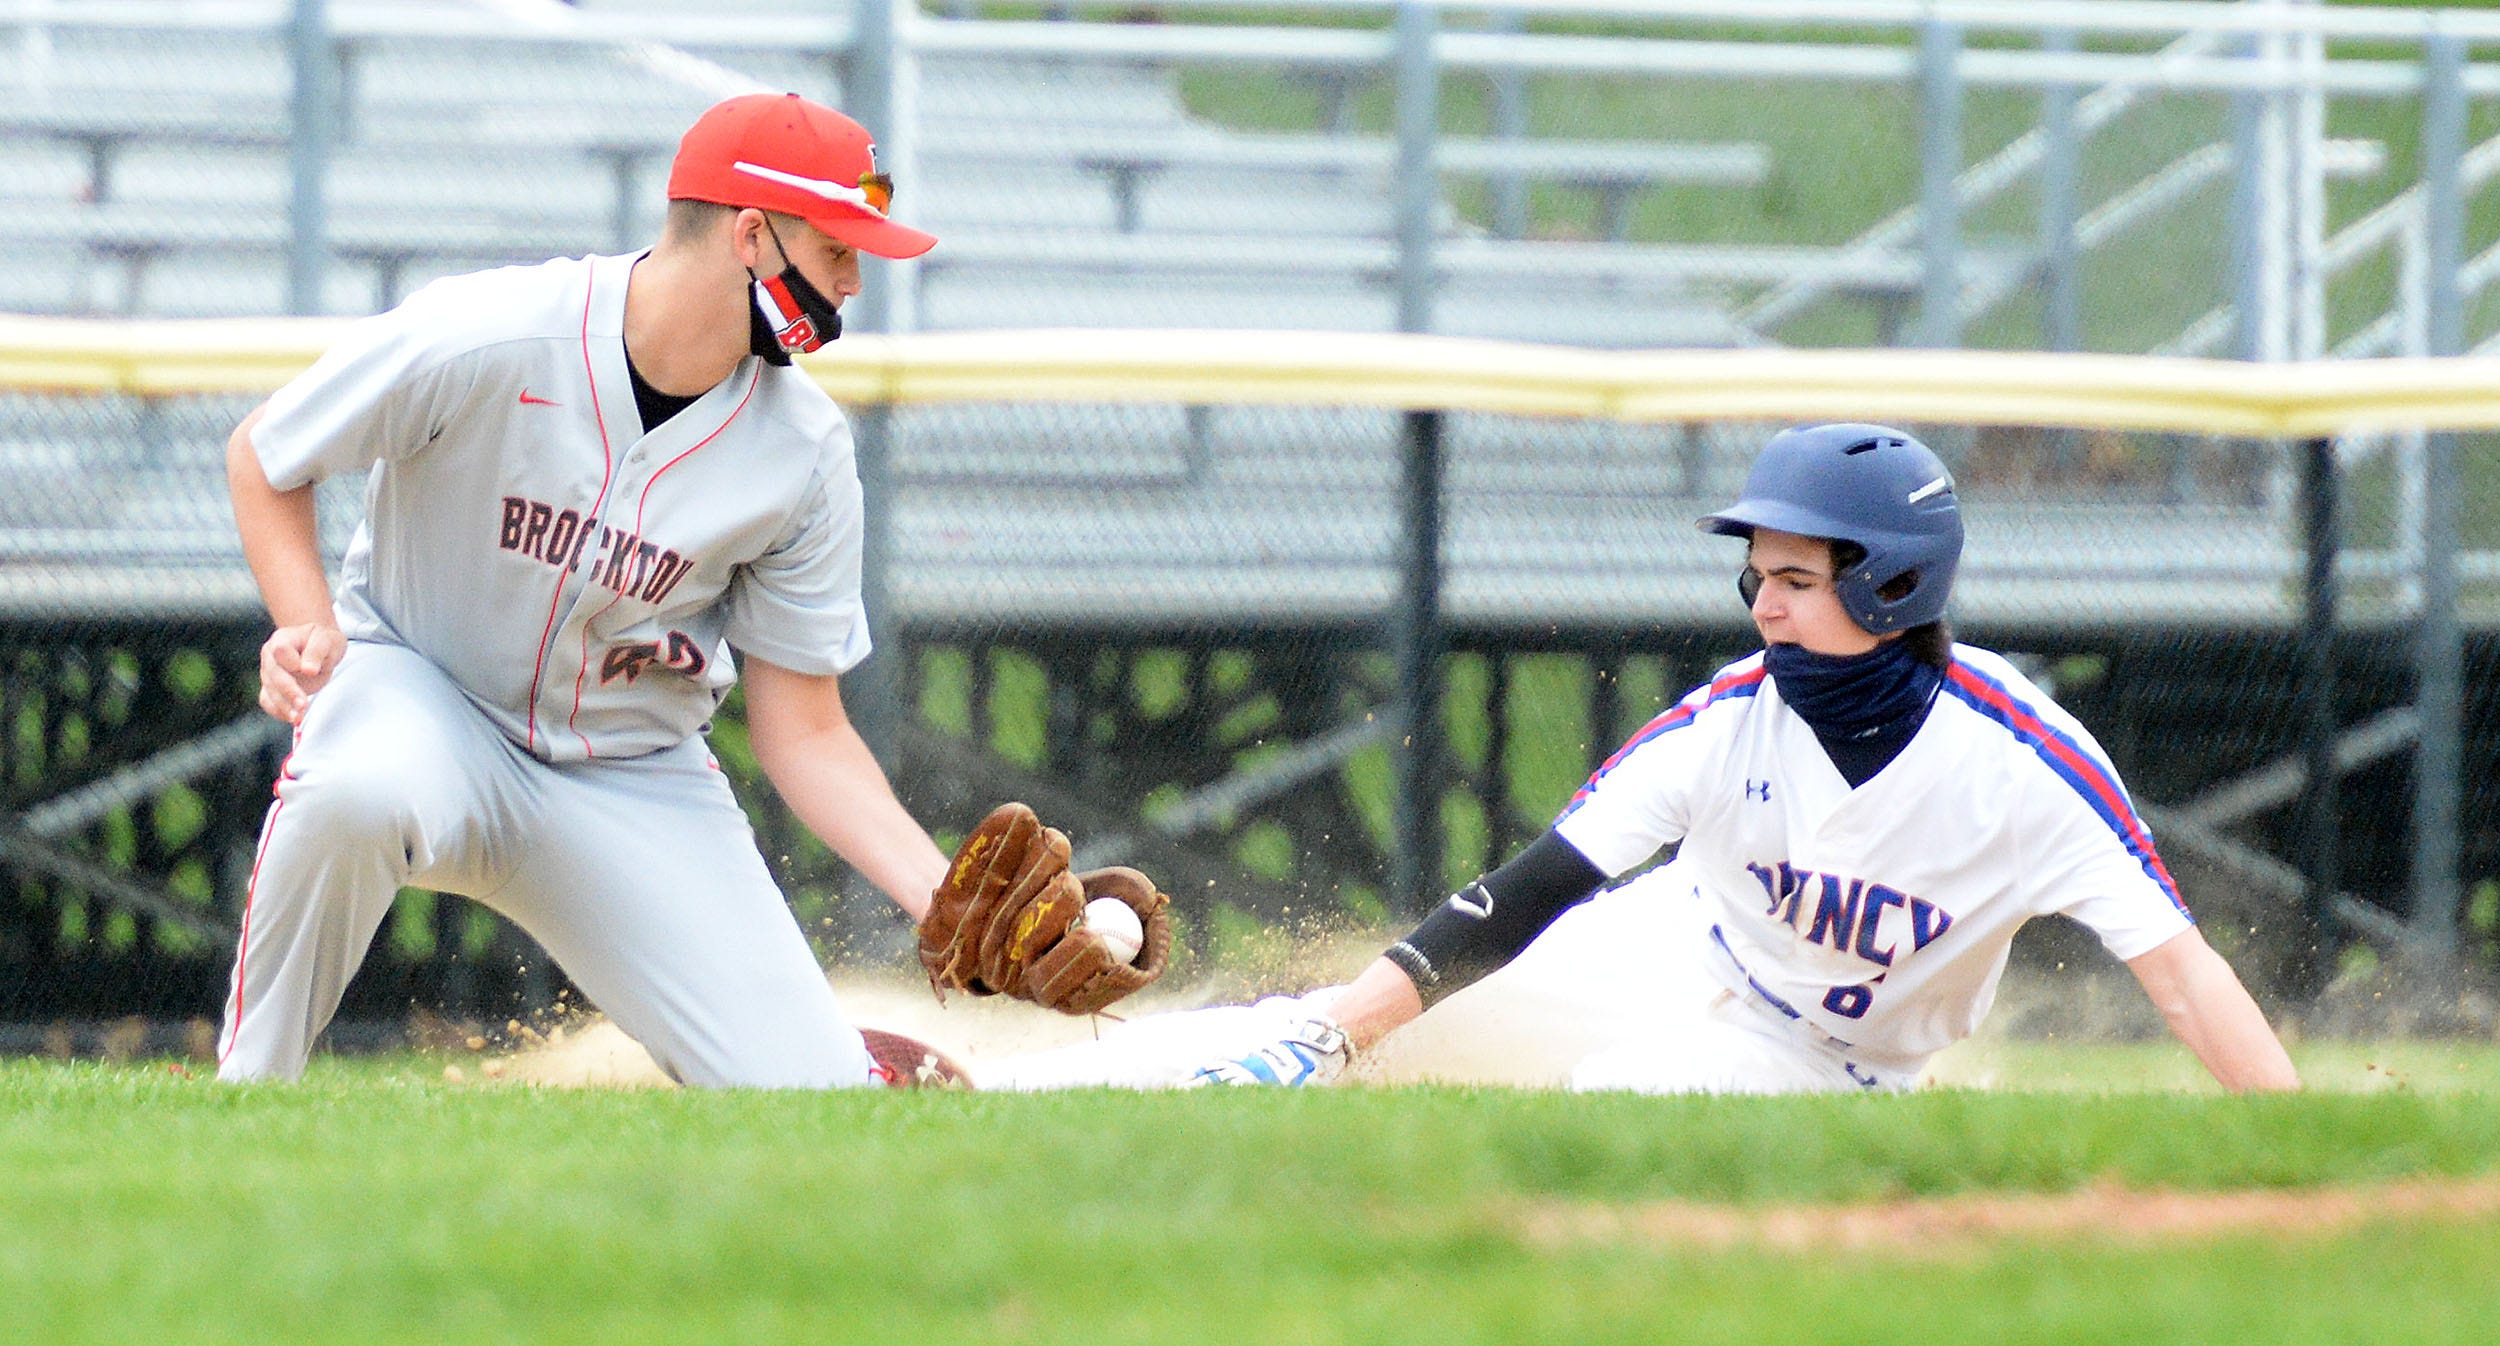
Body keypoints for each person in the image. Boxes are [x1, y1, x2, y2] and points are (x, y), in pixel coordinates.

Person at [978, 424, 2302, 1095]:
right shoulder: (1730, 718)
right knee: (1338, 1030)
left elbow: (2182, 976)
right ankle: (1052, 1083)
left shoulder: (2024, 764)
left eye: (1796, 577)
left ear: (1896, 585)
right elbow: (1530, 891)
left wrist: (2298, 1155)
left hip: (1838, 1060)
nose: (1762, 606)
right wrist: (1332, 1032)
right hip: (1673, 941)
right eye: (1756, 575)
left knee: (1630, 1098)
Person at [217, 92, 954, 1087]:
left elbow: (806, 731)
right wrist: (308, 628)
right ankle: (251, 1091)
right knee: (351, 787)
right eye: (835, 253)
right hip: (425, 699)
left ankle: (840, 1058)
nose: (853, 284)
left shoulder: (804, 451)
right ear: (753, 235)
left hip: (629, 770)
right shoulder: (494, 331)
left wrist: (943, 899)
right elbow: (265, 454)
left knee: (808, 1095)